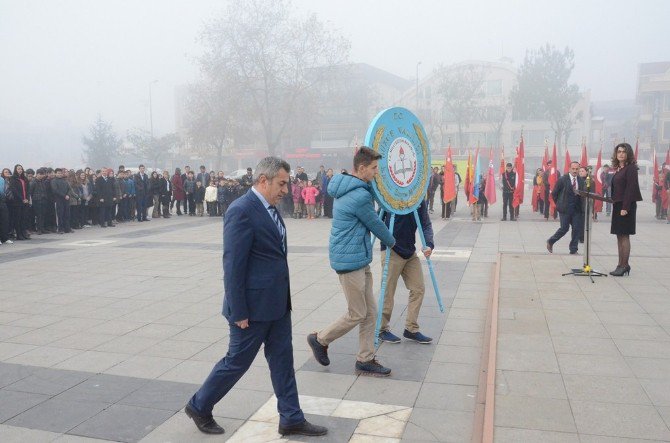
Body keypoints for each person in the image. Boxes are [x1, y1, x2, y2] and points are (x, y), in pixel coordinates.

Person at [185, 157, 327, 438]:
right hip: (251, 309)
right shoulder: (242, 210)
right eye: (282, 183)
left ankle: (291, 417)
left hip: (277, 305)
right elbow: (233, 265)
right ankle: (199, 406)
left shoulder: (272, 208)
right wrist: (238, 311)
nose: (286, 189)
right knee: (236, 362)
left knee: (283, 362)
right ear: (264, 180)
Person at [307, 147, 396, 377]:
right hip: (350, 261)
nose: (377, 173)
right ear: (362, 168)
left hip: (356, 257)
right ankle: (320, 339)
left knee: (370, 312)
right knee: (358, 312)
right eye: (374, 168)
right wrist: (393, 242)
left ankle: (365, 358)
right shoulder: (359, 195)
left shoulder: (351, 187)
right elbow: (375, 223)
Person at [378, 199, 434, 345]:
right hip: (391, 250)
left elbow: (425, 224)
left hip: (410, 251)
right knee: (388, 291)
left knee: (418, 288)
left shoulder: (418, 199)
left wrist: (428, 244)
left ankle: (411, 328)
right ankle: (381, 329)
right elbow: (377, 221)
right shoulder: (389, 197)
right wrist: (387, 241)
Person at [609, 142, 643, 276]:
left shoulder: (631, 168)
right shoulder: (619, 168)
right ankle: (620, 264)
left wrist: (625, 207)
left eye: (623, 151)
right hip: (618, 204)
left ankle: (624, 265)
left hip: (625, 205)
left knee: (624, 236)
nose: (621, 154)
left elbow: (630, 188)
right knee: (619, 236)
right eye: (619, 152)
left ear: (628, 153)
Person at [546, 161, 583, 255]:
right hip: (565, 209)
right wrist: (559, 204)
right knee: (564, 228)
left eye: (577, 169)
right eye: (573, 169)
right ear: (569, 169)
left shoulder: (581, 180)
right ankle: (551, 241)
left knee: (576, 229)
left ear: (579, 169)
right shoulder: (562, 179)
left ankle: (573, 249)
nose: (575, 171)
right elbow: (554, 194)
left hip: (577, 209)